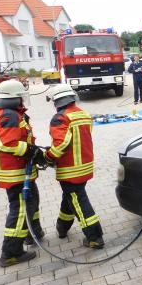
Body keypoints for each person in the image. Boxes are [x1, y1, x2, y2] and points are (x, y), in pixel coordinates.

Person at [0, 80, 44, 267]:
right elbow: (7, 144)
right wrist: (30, 150)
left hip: (16, 170)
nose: (22, 100)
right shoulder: (9, 115)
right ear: (13, 98)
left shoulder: (1, 113)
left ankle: (32, 232)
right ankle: (11, 252)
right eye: (20, 96)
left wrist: (33, 150)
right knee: (19, 210)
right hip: (14, 172)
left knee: (32, 200)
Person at [44, 84, 104, 249]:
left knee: (79, 202)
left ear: (57, 101)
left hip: (70, 170)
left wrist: (48, 156)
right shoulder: (83, 114)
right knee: (70, 198)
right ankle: (62, 228)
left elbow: (61, 144)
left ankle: (94, 237)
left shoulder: (61, 117)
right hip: (85, 165)